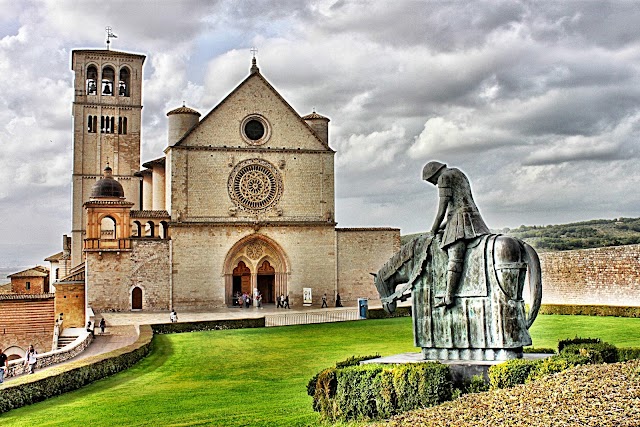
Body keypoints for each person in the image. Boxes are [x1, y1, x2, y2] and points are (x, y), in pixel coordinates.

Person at [423, 161, 490, 308]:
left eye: (431, 181)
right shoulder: (459, 172)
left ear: (434, 174)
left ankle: (449, 296)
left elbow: (443, 208)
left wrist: (433, 229)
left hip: (461, 220)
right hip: (472, 217)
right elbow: (457, 209)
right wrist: (442, 227)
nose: (434, 184)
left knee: (454, 256)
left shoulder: (443, 178)